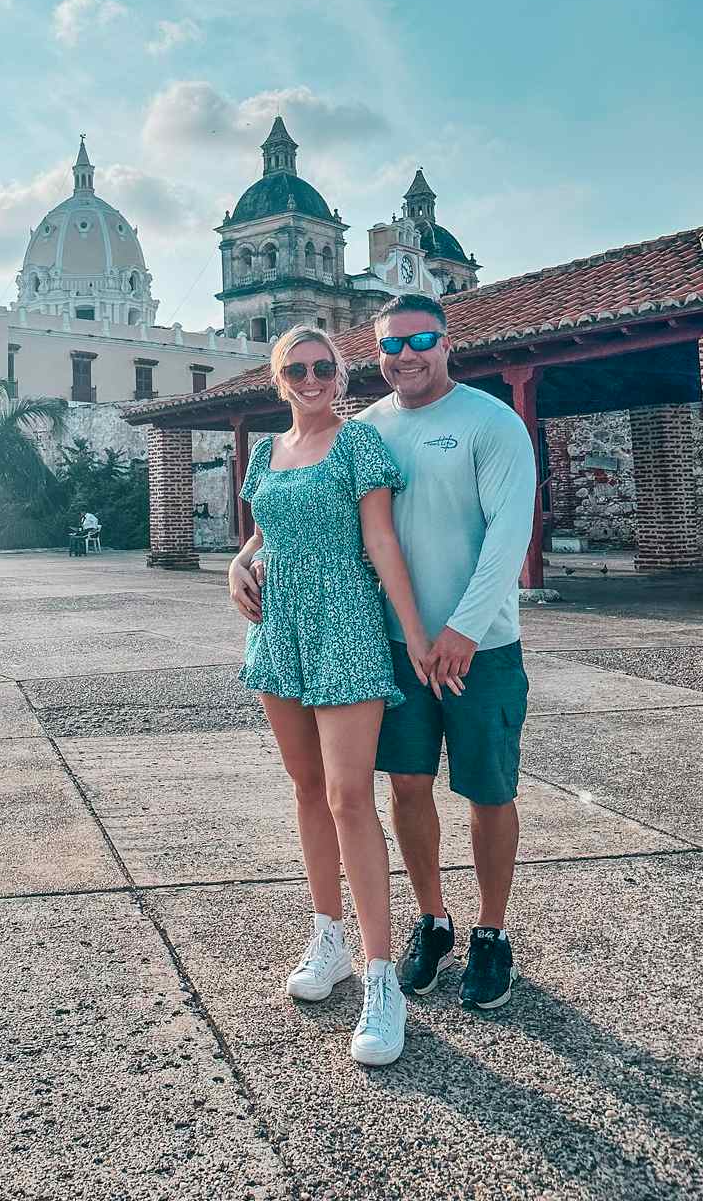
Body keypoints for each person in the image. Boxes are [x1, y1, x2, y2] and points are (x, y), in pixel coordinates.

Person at [228, 324, 429, 1067]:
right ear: (279, 378)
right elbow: (262, 535)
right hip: (278, 628)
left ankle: (383, 980)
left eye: (324, 367)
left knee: (350, 798)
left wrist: (411, 633)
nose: (312, 378)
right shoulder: (264, 452)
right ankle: (328, 938)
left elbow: (380, 543)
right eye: (298, 368)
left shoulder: (358, 446)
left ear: (340, 375)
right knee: (306, 790)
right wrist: (235, 566)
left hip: (344, 622)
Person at [361, 293, 537, 1012]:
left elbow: (508, 534)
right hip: (401, 649)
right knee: (407, 787)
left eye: (420, 339)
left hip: (480, 649)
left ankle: (492, 935)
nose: (406, 355)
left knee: (489, 792)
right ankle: (433, 921)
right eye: (391, 346)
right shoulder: (367, 429)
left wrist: (463, 629)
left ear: (446, 342)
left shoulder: (490, 422)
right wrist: (248, 556)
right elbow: (313, 503)